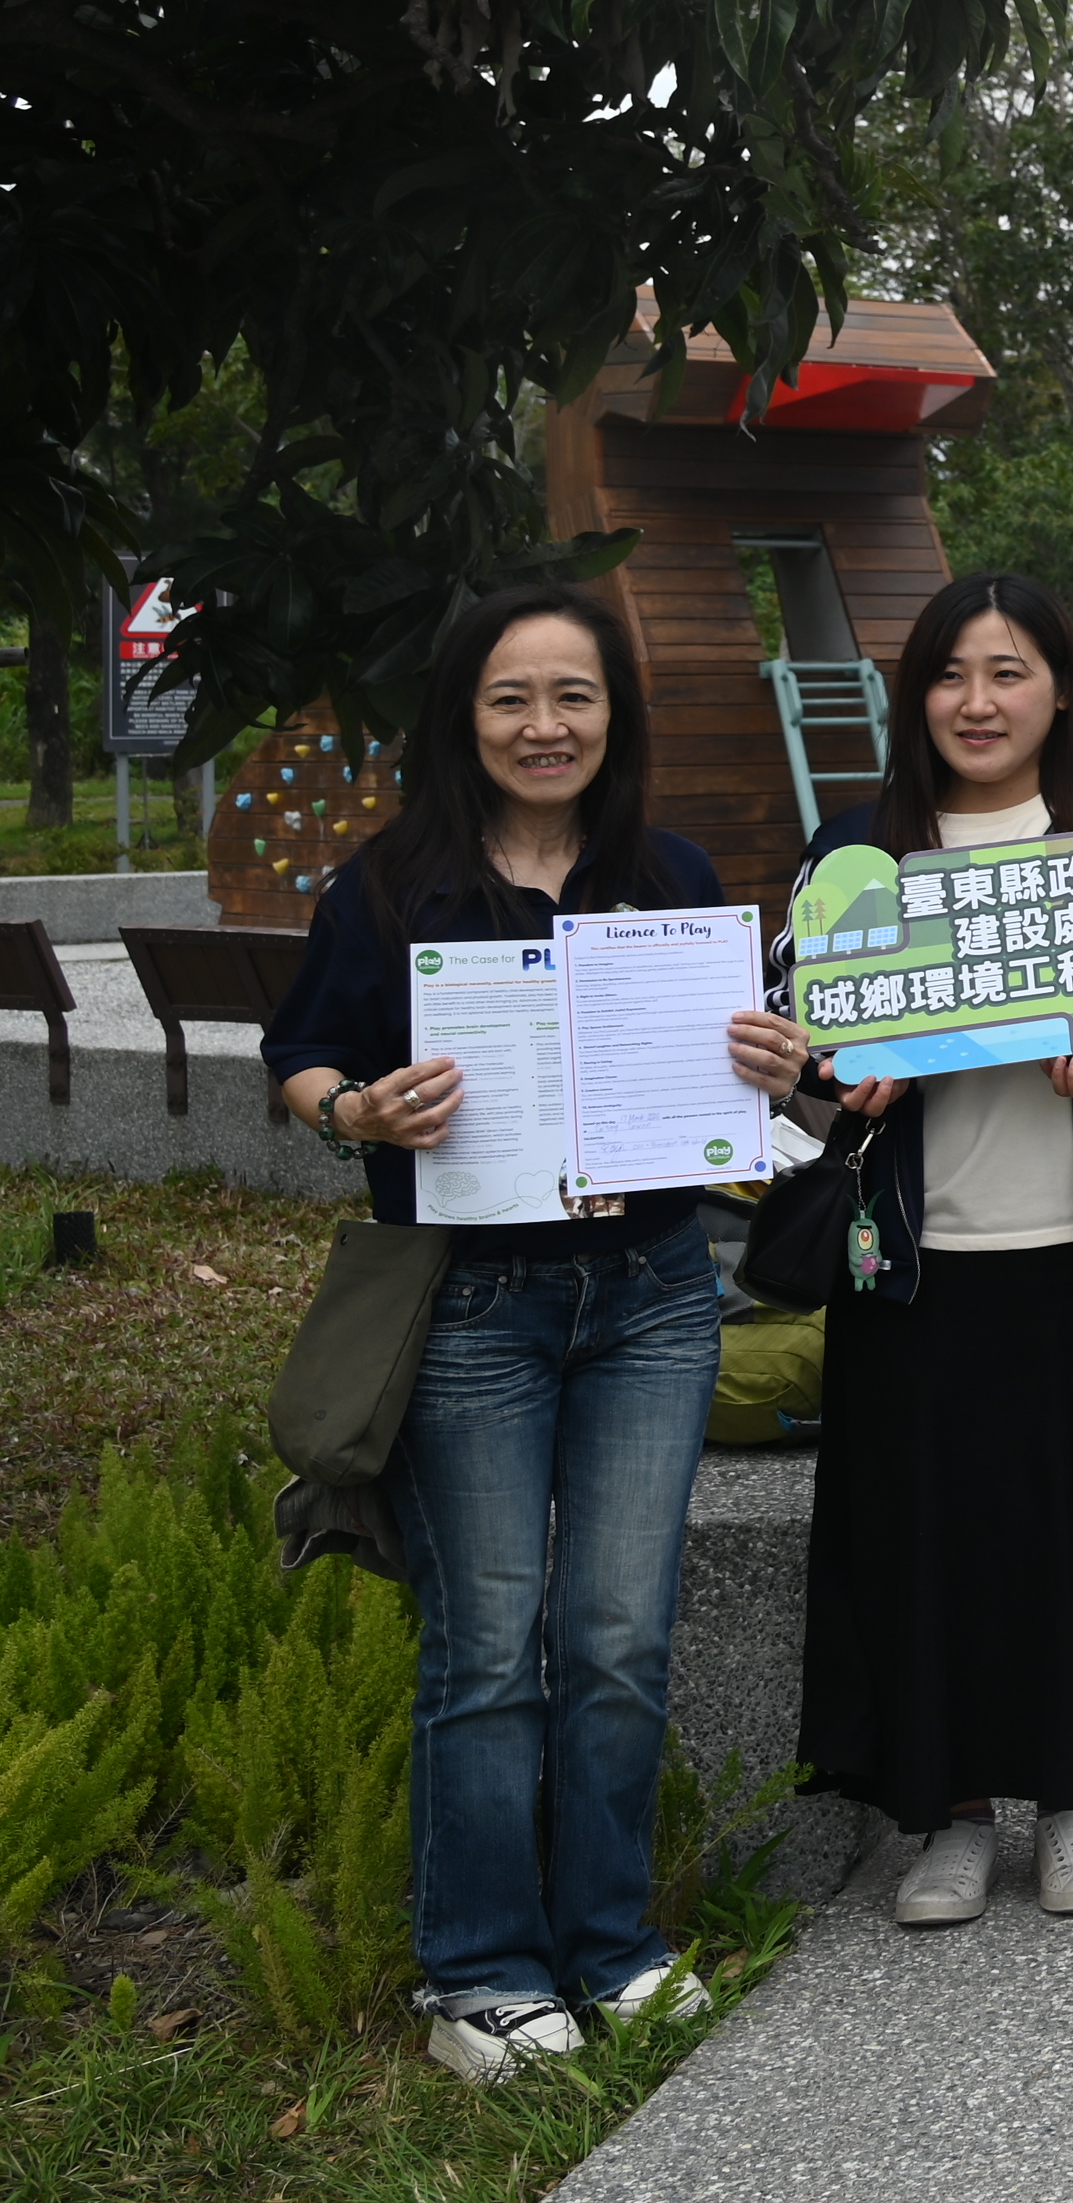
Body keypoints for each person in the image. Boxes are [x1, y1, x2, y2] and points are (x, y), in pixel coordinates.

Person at [261, 585, 810, 2081]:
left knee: (619, 1637)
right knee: (489, 1647)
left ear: (614, 717)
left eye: (574, 696)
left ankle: (613, 1946)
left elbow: (748, 1071)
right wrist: (355, 1111)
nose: (544, 725)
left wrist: (772, 1059)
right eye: (512, 698)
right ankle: (482, 1974)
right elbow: (301, 1053)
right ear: (464, 716)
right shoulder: (390, 891)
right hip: (471, 1313)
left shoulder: (674, 877)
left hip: (649, 1299)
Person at [792, 572, 1073, 1924]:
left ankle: (1071, 1804)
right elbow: (797, 1040)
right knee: (928, 1533)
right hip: (915, 1261)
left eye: (1008, 672)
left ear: (1061, 690)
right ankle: (947, 1814)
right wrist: (835, 1077)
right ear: (912, 696)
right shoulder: (854, 852)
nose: (977, 702)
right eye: (949, 674)